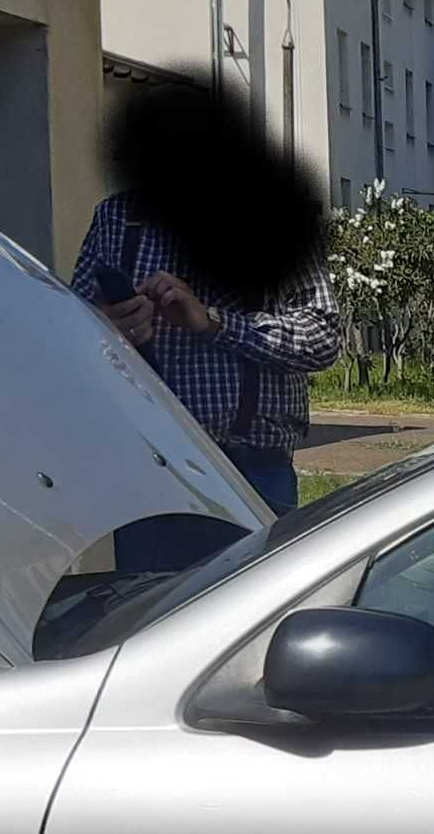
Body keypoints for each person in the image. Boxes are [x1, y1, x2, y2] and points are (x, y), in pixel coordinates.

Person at [68, 190, 337, 560]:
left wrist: (214, 322)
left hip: (252, 474)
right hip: (150, 476)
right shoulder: (119, 216)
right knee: (152, 613)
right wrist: (106, 326)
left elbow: (322, 339)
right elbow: (70, 333)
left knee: (252, 611)